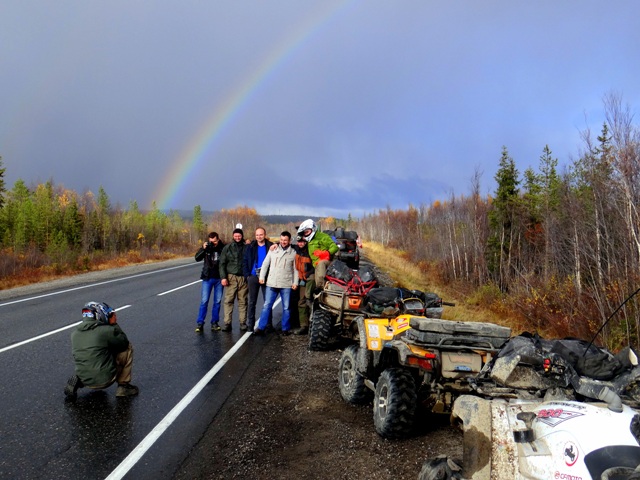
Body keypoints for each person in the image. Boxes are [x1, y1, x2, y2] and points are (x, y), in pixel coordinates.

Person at [64, 301, 138, 401]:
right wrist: (114, 324)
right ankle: (123, 387)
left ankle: (79, 379)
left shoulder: (75, 333)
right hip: (105, 380)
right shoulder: (106, 331)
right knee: (127, 348)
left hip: (84, 377)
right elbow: (123, 343)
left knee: (88, 353)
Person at [253, 231, 298, 336]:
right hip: (272, 283)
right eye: (281, 240)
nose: (283, 242)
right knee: (267, 305)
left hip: (286, 284)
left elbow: (296, 269)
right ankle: (261, 327)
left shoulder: (293, 253)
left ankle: (285, 328)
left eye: (285, 240)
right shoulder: (273, 250)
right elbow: (265, 264)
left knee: (286, 307)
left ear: (289, 240)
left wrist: (295, 282)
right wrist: (262, 277)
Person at [243, 227, 273, 332]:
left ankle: (268, 325)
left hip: (266, 277)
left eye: (260, 234)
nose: (259, 237)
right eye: (257, 235)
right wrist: (247, 275)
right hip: (253, 277)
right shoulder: (251, 246)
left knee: (267, 302)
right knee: (252, 302)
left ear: (264, 235)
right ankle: (250, 325)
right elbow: (245, 261)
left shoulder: (271, 246)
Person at [219, 227, 249, 332]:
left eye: (239, 236)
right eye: (236, 236)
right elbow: (222, 263)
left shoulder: (247, 247)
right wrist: (223, 277)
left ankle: (243, 323)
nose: (237, 237)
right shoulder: (227, 248)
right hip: (231, 277)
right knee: (228, 301)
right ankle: (227, 323)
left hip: (243, 278)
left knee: (243, 301)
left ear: (242, 236)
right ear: (233, 236)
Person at [194, 232, 225, 333]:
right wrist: (203, 248)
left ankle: (214, 322)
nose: (213, 243)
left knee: (217, 302)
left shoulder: (223, 248)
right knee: (204, 301)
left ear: (218, 239)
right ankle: (200, 323)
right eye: (211, 241)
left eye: (215, 241)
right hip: (207, 278)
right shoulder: (206, 248)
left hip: (219, 279)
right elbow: (197, 258)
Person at [297, 219, 339, 289]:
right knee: (313, 281)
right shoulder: (310, 240)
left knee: (321, 265)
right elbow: (300, 245)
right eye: (305, 232)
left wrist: (326, 253)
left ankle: (320, 287)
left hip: (326, 261)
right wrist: (276, 245)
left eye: (307, 231)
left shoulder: (322, 237)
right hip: (315, 265)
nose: (306, 234)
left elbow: (334, 247)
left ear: (313, 229)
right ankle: (317, 293)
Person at [292, 234, 315, 335]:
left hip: (310, 279)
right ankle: (303, 325)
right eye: (299, 242)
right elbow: (284, 244)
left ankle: (314, 325)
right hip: (302, 280)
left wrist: (308, 274)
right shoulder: (296, 249)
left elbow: (316, 265)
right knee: (301, 302)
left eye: (302, 242)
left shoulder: (311, 250)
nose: (300, 243)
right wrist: (274, 245)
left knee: (310, 300)